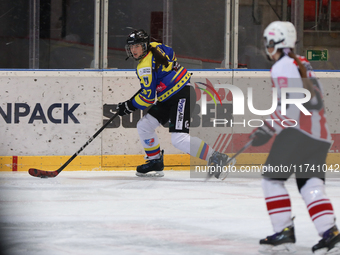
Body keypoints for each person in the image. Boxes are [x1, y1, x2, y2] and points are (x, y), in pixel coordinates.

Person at [250, 21, 340, 254]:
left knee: (271, 180)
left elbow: (289, 106)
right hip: (319, 135)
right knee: (310, 183)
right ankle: (329, 232)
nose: (266, 47)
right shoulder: (302, 63)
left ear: (274, 43)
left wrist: (267, 129)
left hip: (298, 133)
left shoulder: (282, 66)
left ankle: (284, 231)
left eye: (268, 42)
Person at [117, 29, 235, 178]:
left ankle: (217, 157)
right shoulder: (155, 46)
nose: (133, 50)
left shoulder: (144, 67)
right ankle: (155, 161)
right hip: (169, 96)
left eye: (137, 46)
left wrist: (128, 106)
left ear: (144, 45)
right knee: (144, 125)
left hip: (180, 96)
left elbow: (147, 98)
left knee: (179, 139)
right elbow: (170, 54)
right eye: (131, 47)